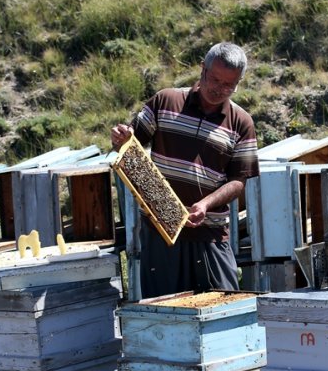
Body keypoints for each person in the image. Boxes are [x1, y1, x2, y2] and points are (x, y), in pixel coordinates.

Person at [111, 42, 259, 298]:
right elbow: (131, 145)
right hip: (161, 234)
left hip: (210, 234)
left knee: (224, 308)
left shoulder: (242, 122)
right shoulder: (165, 100)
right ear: (202, 68)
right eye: (215, 79)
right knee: (165, 316)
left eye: (229, 85)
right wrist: (121, 139)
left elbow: (238, 181)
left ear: (239, 83)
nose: (219, 89)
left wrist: (205, 204)